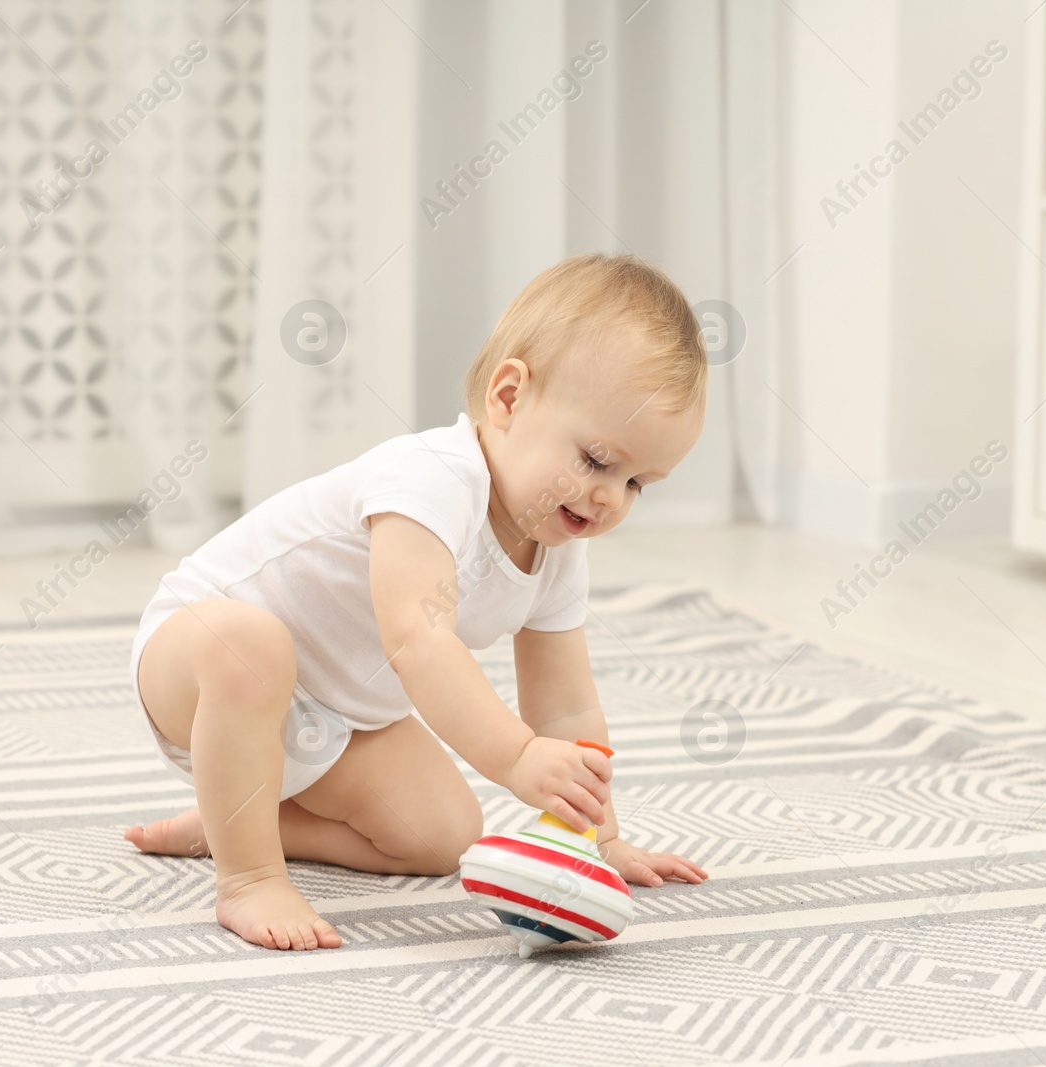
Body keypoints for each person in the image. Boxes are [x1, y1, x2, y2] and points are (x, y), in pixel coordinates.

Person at [124, 252, 711, 951]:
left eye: (640, 482)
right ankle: (247, 871)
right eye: (595, 460)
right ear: (508, 396)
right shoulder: (431, 479)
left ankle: (236, 811)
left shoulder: (557, 551)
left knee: (443, 833)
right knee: (255, 648)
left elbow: (566, 707)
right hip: (199, 658)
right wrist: (519, 757)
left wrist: (600, 835)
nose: (610, 496)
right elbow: (418, 637)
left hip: (334, 717)